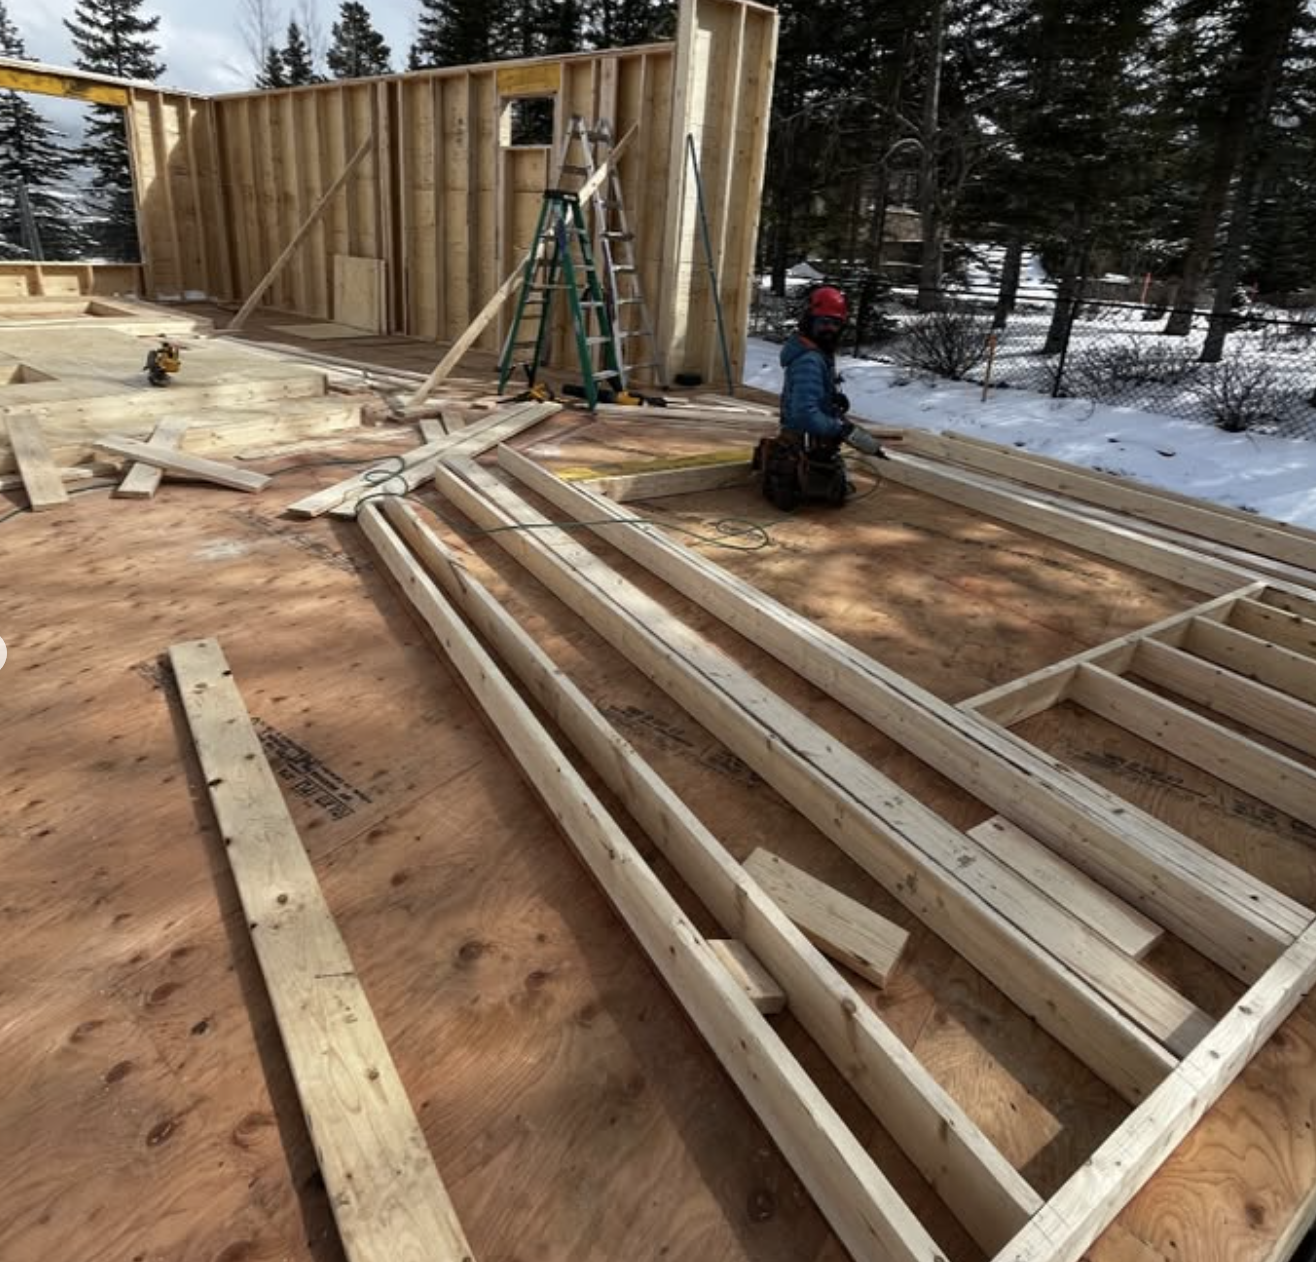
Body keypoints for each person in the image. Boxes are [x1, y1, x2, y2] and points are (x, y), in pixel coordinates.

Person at [779, 286, 883, 456]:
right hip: (802, 450)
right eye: (824, 322)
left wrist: (829, 399)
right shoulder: (809, 361)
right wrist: (839, 428)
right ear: (810, 321)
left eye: (836, 323)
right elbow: (804, 414)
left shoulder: (819, 353)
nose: (830, 329)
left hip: (811, 446)